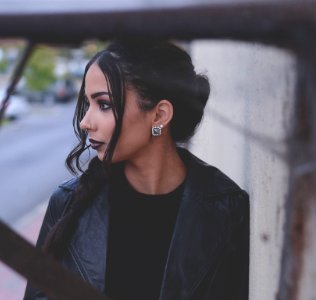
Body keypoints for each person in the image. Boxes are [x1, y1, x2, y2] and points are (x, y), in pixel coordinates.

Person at [24, 39, 249, 300]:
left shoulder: (226, 209)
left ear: (159, 115)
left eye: (104, 105)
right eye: (88, 104)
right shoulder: (67, 204)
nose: (85, 122)